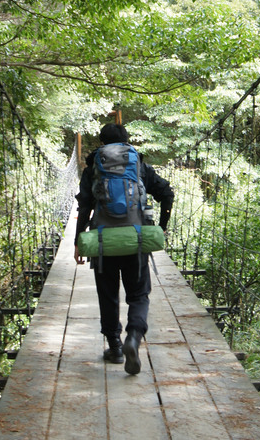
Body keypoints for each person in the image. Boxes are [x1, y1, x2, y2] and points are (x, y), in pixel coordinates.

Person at [74, 123, 174, 375]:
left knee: (108, 295)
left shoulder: (94, 167)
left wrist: (78, 241)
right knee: (139, 295)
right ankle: (134, 337)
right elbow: (167, 194)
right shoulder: (138, 165)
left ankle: (115, 347)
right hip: (136, 241)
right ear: (127, 140)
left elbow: (84, 205)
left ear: (101, 142)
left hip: (103, 242)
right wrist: (161, 227)